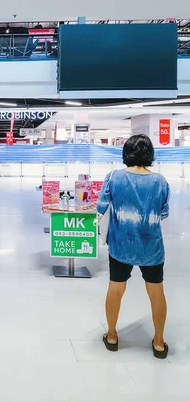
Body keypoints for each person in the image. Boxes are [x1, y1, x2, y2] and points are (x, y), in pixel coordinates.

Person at [97, 134, 170, 359]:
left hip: (121, 246)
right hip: (152, 248)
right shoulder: (160, 181)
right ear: (150, 155)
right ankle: (158, 342)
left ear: (125, 153)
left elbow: (101, 208)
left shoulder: (114, 177)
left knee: (116, 290)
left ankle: (111, 336)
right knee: (156, 293)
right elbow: (164, 213)